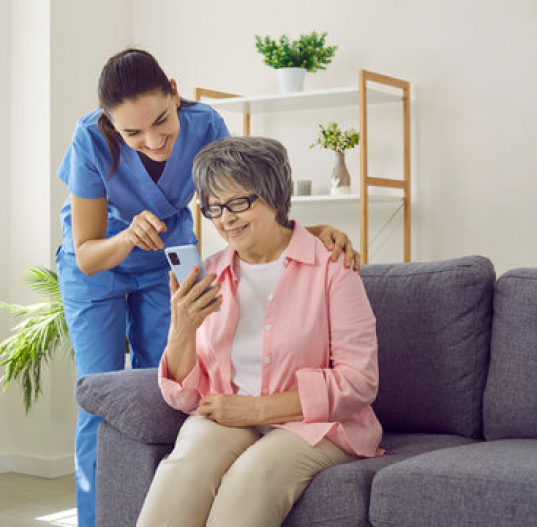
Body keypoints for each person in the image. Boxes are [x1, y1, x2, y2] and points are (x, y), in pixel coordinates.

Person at [56, 49, 361, 526]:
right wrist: (126, 237)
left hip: (170, 256)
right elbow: (87, 252)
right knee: (104, 395)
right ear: (111, 125)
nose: (153, 141)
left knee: (177, 387)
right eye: (132, 133)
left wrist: (304, 231)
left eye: (161, 122)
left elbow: (242, 191)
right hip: (102, 261)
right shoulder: (90, 140)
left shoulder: (205, 124)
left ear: (175, 93)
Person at [137, 136, 383, 527]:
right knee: (183, 468)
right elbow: (184, 398)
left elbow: (359, 381)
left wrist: (254, 409)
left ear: (274, 194)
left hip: (316, 425)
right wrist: (181, 330)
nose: (225, 218)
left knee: (252, 476)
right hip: (228, 417)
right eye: (214, 207)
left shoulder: (331, 265)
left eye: (238, 203)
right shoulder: (210, 273)